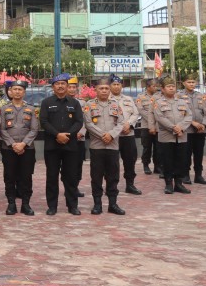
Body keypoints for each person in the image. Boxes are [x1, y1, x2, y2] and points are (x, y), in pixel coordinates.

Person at [39, 73, 84, 215]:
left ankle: (72, 206)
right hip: (52, 145)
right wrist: (57, 134)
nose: (60, 86)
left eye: (63, 84)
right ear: (53, 87)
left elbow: (79, 121)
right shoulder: (46, 102)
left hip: (70, 146)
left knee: (71, 177)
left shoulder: (74, 103)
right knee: (52, 177)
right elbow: (44, 122)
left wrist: (68, 135)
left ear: (67, 86)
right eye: (57, 84)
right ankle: (52, 206)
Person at [83, 78, 126, 215]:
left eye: (106, 88)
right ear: (95, 89)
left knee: (113, 176)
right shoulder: (89, 105)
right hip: (97, 147)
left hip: (112, 146)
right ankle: (97, 204)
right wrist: (103, 135)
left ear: (109, 90)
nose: (104, 91)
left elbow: (121, 123)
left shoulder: (115, 105)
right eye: (101, 88)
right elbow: (88, 124)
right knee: (96, 176)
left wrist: (111, 135)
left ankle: (113, 204)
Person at [0, 79, 39, 216]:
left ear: (24, 92)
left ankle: (26, 204)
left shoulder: (31, 109)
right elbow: (2, 129)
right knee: (9, 176)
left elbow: (34, 129)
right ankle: (11, 204)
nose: (17, 92)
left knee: (26, 177)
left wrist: (23, 144)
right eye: (14, 89)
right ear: (10, 91)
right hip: (9, 148)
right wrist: (12, 144)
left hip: (27, 149)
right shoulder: (4, 109)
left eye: (20, 89)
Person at [153, 77, 193, 194]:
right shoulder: (158, 103)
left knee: (181, 160)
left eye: (173, 86)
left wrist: (180, 127)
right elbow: (160, 118)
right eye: (169, 86)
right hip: (166, 137)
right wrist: (174, 128)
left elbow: (189, 116)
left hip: (181, 136)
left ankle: (179, 184)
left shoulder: (182, 102)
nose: (171, 88)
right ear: (163, 89)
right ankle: (169, 184)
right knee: (167, 161)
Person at [109, 75, 142, 195]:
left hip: (128, 135)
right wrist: (118, 129)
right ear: (110, 86)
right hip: (113, 137)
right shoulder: (106, 99)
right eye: (114, 84)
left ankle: (130, 184)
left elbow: (136, 113)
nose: (116, 86)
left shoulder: (128, 99)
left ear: (121, 86)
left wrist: (129, 124)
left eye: (118, 84)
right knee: (112, 163)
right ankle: (112, 186)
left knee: (130, 160)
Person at [178, 73, 206, 186]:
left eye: (193, 82)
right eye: (189, 82)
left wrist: (204, 124)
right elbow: (179, 114)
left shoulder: (201, 96)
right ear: (184, 83)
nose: (191, 84)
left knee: (199, 153)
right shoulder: (179, 95)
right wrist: (192, 123)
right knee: (186, 153)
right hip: (187, 130)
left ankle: (198, 175)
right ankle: (185, 175)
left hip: (200, 130)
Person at [136, 78, 161, 175]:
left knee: (158, 148)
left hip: (158, 126)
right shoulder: (140, 96)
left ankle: (157, 166)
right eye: (154, 86)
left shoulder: (159, 96)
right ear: (148, 87)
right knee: (147, 147)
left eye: (157, 86)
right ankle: (146, 165)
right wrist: (152, 119)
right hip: (146, 126)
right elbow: (141, 110)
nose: (156, 88)